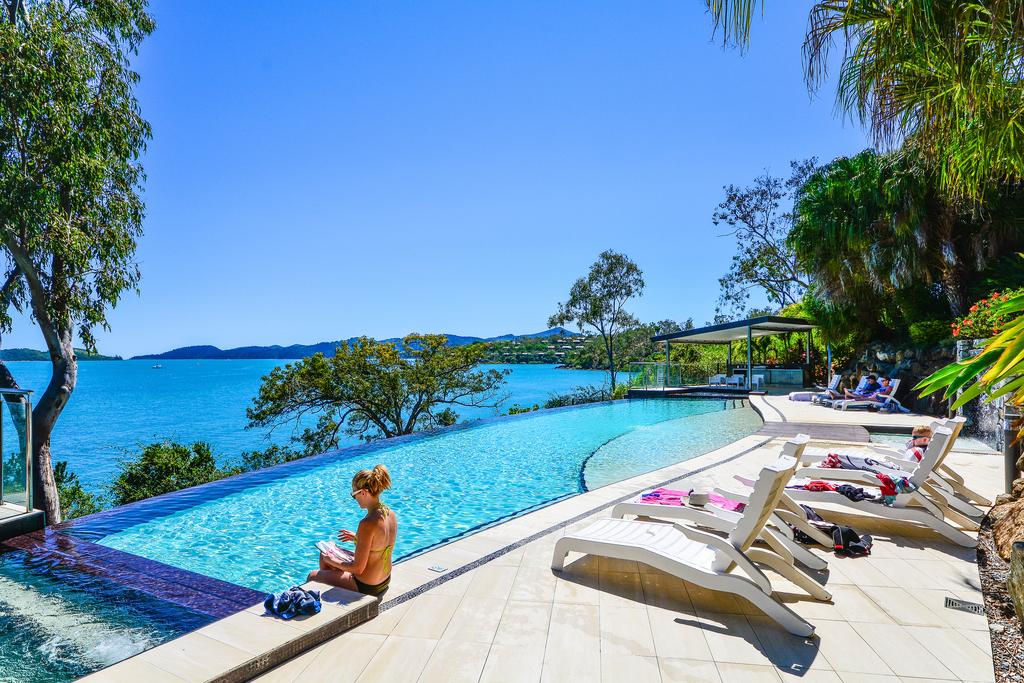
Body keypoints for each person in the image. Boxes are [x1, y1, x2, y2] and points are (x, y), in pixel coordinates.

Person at [307, 464, 397, 597]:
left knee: (312, 575)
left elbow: (358, 569)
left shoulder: (367, 523)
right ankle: (335, 590)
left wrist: (331, 561)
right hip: (384, 580)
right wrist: (357, 538)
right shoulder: (390, 514)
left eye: (354, 495)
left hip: (367, 586)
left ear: (363, 492)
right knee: (325, 555)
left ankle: (333, 598)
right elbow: (379, 543)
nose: (355, 499)